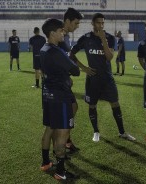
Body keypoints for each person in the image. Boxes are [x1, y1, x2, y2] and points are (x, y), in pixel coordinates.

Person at [70, 13, 135, 142]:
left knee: (115, 103)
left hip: (107, 78)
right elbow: (71, 53)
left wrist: (103, 39)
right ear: (93, 23)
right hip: (93, 78)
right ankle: (96, 131)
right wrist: (84, 68)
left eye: (103, 23)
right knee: (92, 105)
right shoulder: (86, 38)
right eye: (98, 23)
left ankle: (122, 132)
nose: (101, 25)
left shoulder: (110, 38)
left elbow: (109, 57)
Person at [40, 18, 80, 180]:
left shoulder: (44, 48)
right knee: (61, 135)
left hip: (48, 95)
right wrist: (69, 67)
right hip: (60, 96)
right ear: (52, 33)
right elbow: (75, 70)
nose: (63, 32)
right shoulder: (56, 51)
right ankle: (60, 172)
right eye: (60, 30)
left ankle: (46, 162)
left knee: (50, 128)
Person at [59, 7, 89, 154]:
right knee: (62, 116)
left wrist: (83, 68)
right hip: (58, 83)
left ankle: (66, 141)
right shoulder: (58, 35)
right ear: (67, 21)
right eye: (76, 23)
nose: (77, 26)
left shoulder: (65, 36)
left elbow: (69, 56)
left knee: (73, 107)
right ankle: (60, 147)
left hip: (64, 80)